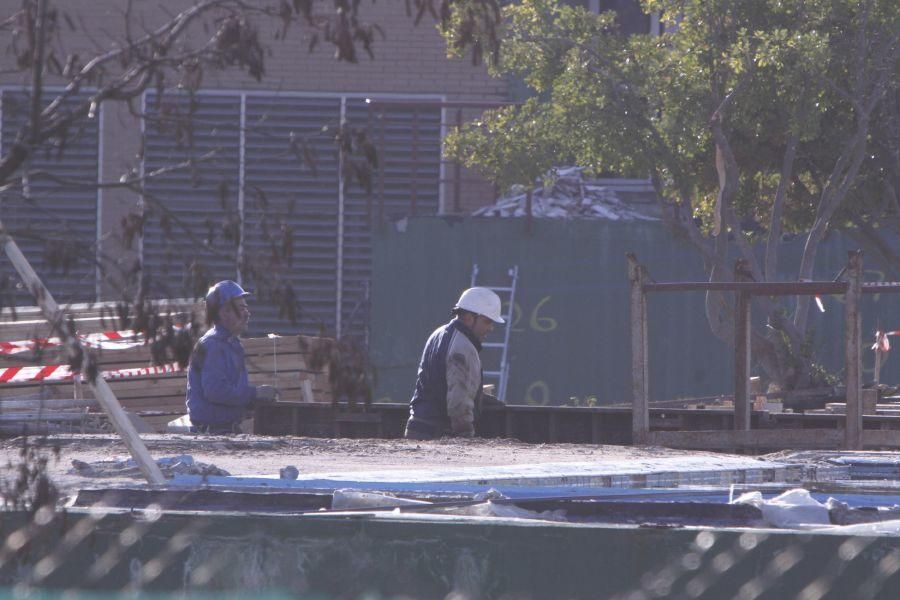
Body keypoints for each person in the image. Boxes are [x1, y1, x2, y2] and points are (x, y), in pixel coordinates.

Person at [404, 287, 504, 440]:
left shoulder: (438, 334)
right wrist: (465, 437)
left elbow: (439, 384)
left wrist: (477, 394)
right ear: (470, 318)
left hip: (417, 428)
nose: (491, 328)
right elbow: (458, 403)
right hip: (436, 434)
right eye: (487, 321)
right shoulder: (462, 347)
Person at [186, 280, 279, 433]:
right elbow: (215, 391)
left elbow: (233, 394)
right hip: (212, 434)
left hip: (227, 430)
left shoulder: (233, 345)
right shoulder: (213, 345)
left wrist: (253, 403)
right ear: (224, 312)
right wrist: (255, 394)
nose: (247, 313)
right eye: (241, 308)